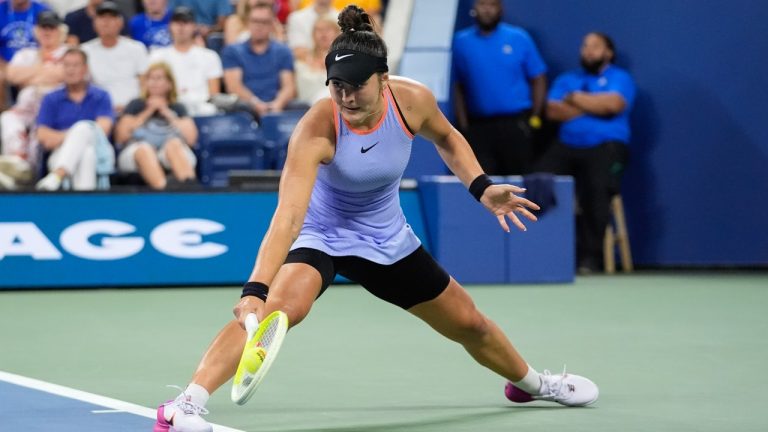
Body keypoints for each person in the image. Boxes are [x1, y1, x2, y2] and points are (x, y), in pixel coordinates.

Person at [153, 6, 598, 431]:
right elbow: (288, 216)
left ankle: (533, 385)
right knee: (279, 311)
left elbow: (447, 136)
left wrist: (481, 187)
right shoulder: (317, 128)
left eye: (356, 85)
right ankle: (183, 405)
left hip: (385, 237)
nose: (345, 96)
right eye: (336, 86)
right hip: (321, 234)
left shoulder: (411, 101)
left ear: (383, 79)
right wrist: (255, 289)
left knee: (469, 323)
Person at [536, 32, 636, 274]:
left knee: (596, 188)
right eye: (585, 46)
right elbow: (552, 112)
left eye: (595, 47)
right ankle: (539, 254)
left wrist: (575, 99)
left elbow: (613, 105)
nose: (588, 51)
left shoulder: (620, 78)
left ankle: (589, 257)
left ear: (608, 53)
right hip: (567, 145)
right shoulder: (567, 78)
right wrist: (594, 106)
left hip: (606, 146)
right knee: (536, 178)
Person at [452, 0, 547, 175]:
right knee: (484, 183)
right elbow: (458, 86)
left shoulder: (519, 37)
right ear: (474, 9)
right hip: (479, 127)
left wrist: (534, 117)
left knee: (519, 181)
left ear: (500, 9)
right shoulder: (461, 42)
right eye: (482, 5)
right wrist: (464, 126)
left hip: (516, 124)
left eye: (492, 5)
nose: (487, 10)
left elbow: (538, 78)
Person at [34, 47, 115, 191]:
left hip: (100, 152)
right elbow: (43, 136)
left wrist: (68, 134)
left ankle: (57, 175)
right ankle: (86, 209)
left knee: (85, 129)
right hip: (60, 152)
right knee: (86, 152)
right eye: (66, 65)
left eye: (75, 65)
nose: (70, 70)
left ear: (85, 68)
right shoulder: (51, 98)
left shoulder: (101, 96)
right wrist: (76, 135)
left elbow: (102, 130)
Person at [0, 10, 67, 181]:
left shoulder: (68, 52)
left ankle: (31, 176)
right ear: (36, 31)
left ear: (60, 31)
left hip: (54, 110)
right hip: (24, 108)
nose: (47, 32)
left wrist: (30, 77)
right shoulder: (26, 53)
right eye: (43, 27)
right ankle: (15, 167)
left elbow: (64, 74)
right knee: (8, 119)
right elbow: (12, 75)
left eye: (51, 27)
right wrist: (44, 68)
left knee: (37, 135)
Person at [114, 62, 197, 189]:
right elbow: (121, 137)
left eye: (159, 78)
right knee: (145, 148)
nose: (154, 82)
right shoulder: (136, 105)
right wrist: (147, 112)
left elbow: (191, 139)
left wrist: (168, 113)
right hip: (136, 152)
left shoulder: (177, 107)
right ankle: (164, 190)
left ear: (169, 84)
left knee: (174, 144)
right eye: (150, 78)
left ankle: (190, 190)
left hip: (169, 150)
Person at [221, 2, 295, 118]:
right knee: (240, 107)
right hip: (246, 106)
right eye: (255, 21)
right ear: (247, 23)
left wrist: (278, 104)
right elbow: (234, 86)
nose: (259, 26)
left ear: (272, 25)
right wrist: (255, 103)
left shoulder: (283, 51)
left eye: (264, 22)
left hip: (276, 104)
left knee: (303, 106)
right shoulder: (233, 51)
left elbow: (288, 86)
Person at [149, 6, 222, 116]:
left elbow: (214, 94)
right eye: (177, 22)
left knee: (210, 110)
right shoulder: (157, 56)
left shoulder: (209, 56)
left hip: (202, 109)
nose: (181, 27)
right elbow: (152, 90)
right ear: (170, 26)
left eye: (186, 22)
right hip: (169, 108)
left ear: (194, 26)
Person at [81, 1, 149, 114]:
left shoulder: (137, 48)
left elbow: (145, 84)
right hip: (97, 110)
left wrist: (134, 107)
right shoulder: (85, 51)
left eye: (111, 18)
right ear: (94, 23)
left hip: (133, 110)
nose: (106, 22)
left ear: (120, 22)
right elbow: (82, 87)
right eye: (102, 18)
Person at [293, 15, 338, 106]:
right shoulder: (302, 57)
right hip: (305, 105)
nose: (323, 33)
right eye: (319, 30)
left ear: (337, 33)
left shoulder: (345, 59)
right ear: (313, 35)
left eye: (328, 29)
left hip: (333, 103)